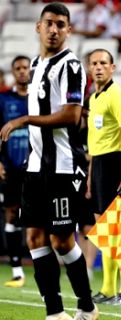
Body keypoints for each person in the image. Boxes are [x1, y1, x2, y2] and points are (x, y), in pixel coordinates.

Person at [0, 3, 98, 320]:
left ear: (69, 30)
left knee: (62, 241)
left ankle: (86, 305)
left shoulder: (71, 67)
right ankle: (55, 313)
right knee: (34, 238)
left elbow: (71, 115)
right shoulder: (35, 65)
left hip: (62, 167)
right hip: (34, 168)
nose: (54, 29)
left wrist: (25, 119)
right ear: (38, 27)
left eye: (60, 24)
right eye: (49, 23)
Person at [86, 48, 121, 306]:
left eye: (103, 63)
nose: (98, 67)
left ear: (113, 67)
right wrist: (89, 177)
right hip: (99, 166)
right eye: (94, 63)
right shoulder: (94, 97)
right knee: (105, 231)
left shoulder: (117, 96)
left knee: (119, 231)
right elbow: (95, 142)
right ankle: (107, 289)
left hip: (116, 163)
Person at [0, 55, 30, 288]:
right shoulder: (3, 100)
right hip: (11, 168)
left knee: (41, 218)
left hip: (38, 168)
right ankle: (18, 271)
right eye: (18, 68)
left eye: (25, 68)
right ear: (13, 73)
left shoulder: (40, 99)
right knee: (11, 215)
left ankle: (48, 264)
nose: (22, 71)